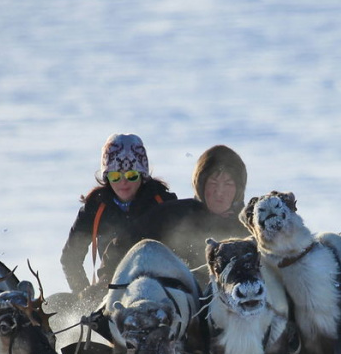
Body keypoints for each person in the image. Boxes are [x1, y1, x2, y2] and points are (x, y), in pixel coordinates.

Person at [58, 133, 177, 312]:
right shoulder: (95, 206)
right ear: (106, 177)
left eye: (131, 175)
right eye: (115, 176)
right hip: (110, 295)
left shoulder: (163, 201)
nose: (123, 182)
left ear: (142, 175)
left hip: (159, 295)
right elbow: (70, 257)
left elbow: (184, 249)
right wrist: (84, 296)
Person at [139, 144, 250, 284]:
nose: (219, 192)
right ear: (201, 185)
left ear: (238, 189)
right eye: (213, 183)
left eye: (228, 184)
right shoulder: (171, 216)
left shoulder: (251, 228)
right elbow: (123, 244)